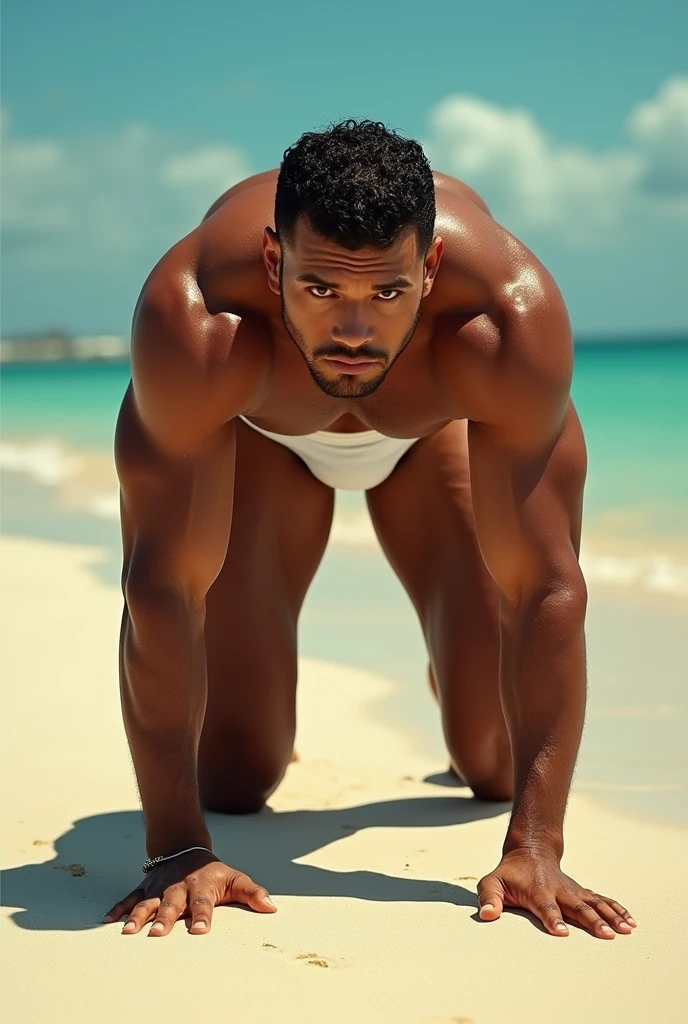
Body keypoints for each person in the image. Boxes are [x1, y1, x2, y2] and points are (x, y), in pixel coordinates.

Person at [104, 119, 636, 941]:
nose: (353, 329)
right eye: (321, 289)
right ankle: (441, 660)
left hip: (432, 438)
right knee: (239, 778)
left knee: (493, 765)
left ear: (430, 270)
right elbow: (161, 583)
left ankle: (456, 669)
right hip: (259, 442)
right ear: (275, 262)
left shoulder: (504, 321)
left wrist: (536, 846)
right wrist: (175, 850)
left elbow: (548, 582)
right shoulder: (200, 320)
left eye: (386, 292)